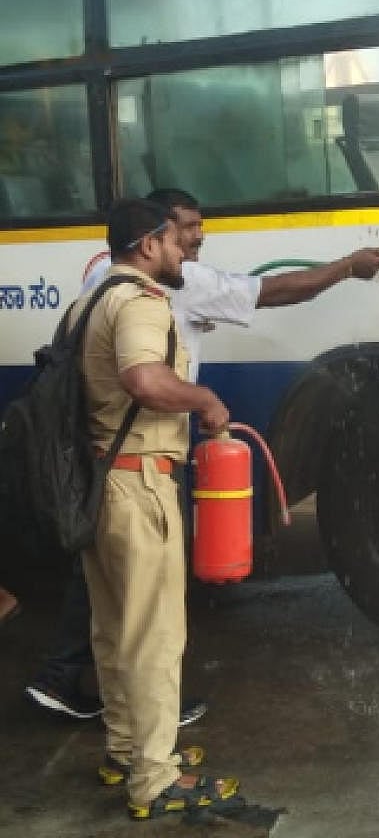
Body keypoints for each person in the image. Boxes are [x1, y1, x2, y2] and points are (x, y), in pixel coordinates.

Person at [26, 188, 379, 719]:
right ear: (152, 239)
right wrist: (347, 267)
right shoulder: (166, 287)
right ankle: (150, 734)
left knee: (106, 581)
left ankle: (76, 687)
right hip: (140, 459)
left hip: (98, 452)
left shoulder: (102, 279)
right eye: (183, 231)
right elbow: (276, 291)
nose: (194, 240)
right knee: (151, 604)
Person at [74, 198, 238, 819]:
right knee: (155, 635)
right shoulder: (140, 301)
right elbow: (144, 380)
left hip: (99, 484)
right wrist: (204, 399)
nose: (183, 252)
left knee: (115, 629)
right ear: (148, 245)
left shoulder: (89, 300)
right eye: (174, 242)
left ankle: (126, 750)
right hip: (137, 484)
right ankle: (155, 778)